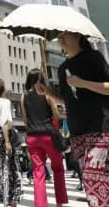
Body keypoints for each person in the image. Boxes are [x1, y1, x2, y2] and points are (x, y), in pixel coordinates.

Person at [38, 32, 109, 207]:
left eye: (64, 36)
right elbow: (66, 100)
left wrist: (84, 83)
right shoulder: (62, 68)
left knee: (94, 177)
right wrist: (47, 93)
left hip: (100, 126)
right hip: (77, 132)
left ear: (77, 36)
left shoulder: (93, 57)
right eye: (58, 37)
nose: (60, 40)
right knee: (93, 182)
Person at [21, 69, 68, 207]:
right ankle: (60, 203)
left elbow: (25, 120)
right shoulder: (46, 95)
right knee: (58, 168)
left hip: (32, 138)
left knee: (38, 173)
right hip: (49, 136)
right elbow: (58, 115)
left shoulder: (24, 97)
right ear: (41, 80)